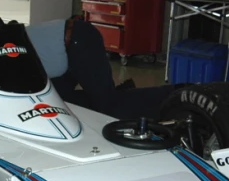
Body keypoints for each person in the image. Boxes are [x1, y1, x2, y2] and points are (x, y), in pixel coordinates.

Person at [25, 18, 175, 120]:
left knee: (108, 108)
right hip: (67, 47)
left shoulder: (7, 52)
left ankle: (173, 95)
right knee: (59, 105)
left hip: (77, 40)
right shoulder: (10, 41)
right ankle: (115, 92)